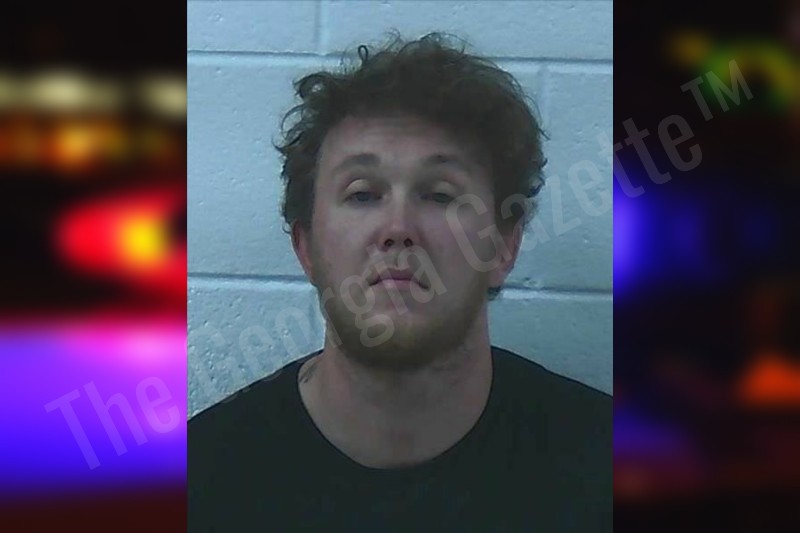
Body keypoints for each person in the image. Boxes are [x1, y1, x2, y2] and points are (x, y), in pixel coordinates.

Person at [189, 32, 611, 532]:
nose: (398, 228)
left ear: (503, 246)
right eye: (363, 194)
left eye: (439, 195)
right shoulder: (198, 483)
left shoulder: (605, 470)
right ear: (306, 248)